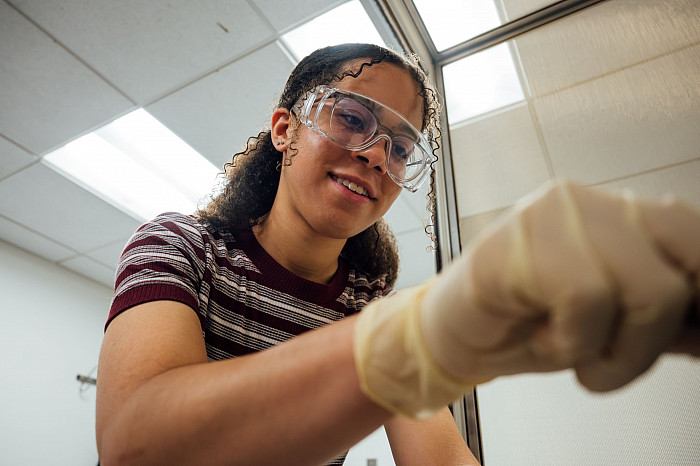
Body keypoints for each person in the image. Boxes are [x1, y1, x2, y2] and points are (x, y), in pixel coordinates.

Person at [96, 43, 700, 466]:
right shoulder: (179, 246)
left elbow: (438, 457)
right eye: (351, 118)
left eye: (401, 148)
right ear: (284, 129)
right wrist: (416, 339)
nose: (377, 155)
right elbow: (131, 444)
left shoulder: (364, 301)